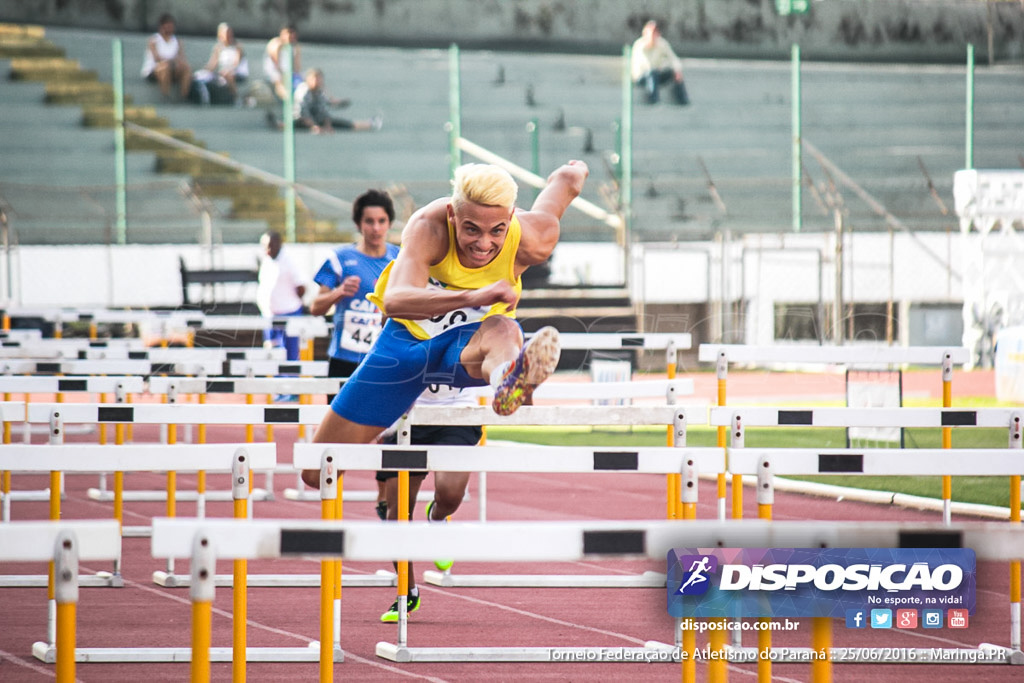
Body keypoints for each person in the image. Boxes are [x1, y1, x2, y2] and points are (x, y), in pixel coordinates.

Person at [304, 160, 589, 493]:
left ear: (510, 218)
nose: (484, 244)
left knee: (504, 328)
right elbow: (395, 299)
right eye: (471, 229)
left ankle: (507, 379)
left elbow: (564, 184)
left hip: (464, 349)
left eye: (496, 230)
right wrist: (473, 296)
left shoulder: (533, 237)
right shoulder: (429, 226)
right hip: (404, 347)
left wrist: (575, 170)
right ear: (453, 216)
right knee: (316, 468)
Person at [375, 383, 482, 622]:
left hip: (457, 413)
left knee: (451, 495)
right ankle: (407, 592)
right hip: (406, 414)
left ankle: (437, 517)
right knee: (397, 515)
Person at [311, 188, 399, 395]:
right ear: (359, 224)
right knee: (336, 425)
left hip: (384, 357)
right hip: (345, 358)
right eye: (369, 221)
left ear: (390, 223)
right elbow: (315, 308)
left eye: (381, 221)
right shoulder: (339, 259)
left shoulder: (401, 259)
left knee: (385, 425)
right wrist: (339, 292)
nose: (376, 228)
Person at [267, 68, 382, 133]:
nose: (318, 82)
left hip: (316, 117)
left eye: (320, 79)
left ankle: (369, 123)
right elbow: (302, 112)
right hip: (301, 118)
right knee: (291, 125)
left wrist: (327, 125)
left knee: (342, 123)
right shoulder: (303, 91)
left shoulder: (319, 91)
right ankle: (276, 122)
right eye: (315, 79)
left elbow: (323, 109)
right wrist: (314, 127)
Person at [256, 231, 307, 365]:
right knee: (271, 354)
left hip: (289, 313)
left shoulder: (289, 260)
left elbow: (301, 287)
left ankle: (291, 382)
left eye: (270, 245)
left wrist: (288, 301)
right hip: (269, 315)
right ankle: (274, 382)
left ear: (279, 244)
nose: (267, 249)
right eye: (264, 246)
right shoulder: (267, 260)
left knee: (290, 355)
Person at [631, 19, 689, 106]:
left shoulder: (662, 43)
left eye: (654, 33)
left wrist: (677, 70)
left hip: (657, 74)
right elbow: (645, 65)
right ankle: (653, 99)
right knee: (652, 73)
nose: (652, 36)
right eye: (650, 33)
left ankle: (682, 100)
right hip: (642, 76)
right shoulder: (639, 45)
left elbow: (673, 58)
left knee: (674, 73)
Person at [192, 22, 248, 103]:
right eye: (226, 33)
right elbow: (212, 65)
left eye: (230, 33)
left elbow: (237, 63)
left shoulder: (238, 46)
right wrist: (200, 72)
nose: (229, 36)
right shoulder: (218, 48)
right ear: (220, 35)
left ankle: (236, 98)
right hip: (223, 73)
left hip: (238, 73)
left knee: (227, 75)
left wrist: (228, 70)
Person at [141, 13, 192, 101]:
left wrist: (178, 63)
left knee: (186, 68)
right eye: (167, 26)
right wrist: (170, 61)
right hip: (155, 70)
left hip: (173, 68)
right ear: (162, 27)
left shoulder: (177, 41)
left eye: (171, 26)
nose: (170, 29)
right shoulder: (153, 40)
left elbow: (181, 57)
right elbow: (157, 58)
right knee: (165, 67)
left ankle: (184, 96)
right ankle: (165, 96)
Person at [263, 24, 302, 101]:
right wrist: (284, 75)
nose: (289, 36)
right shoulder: (275, 43)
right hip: (274, 72)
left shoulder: (295, 47)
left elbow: (297, 67)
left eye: (292, 33)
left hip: (288, 73)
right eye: (287, 33)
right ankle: (288, 99)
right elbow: (276, 63)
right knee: (278, 80)